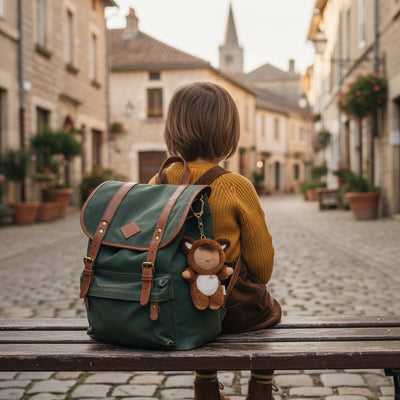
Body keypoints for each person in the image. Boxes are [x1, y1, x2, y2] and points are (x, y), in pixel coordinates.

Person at [150, 81, 280, 400]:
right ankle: (261, 387)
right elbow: (263, 266)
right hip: (229, 308)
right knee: (271, 311)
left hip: (173, 310)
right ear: (228, 135)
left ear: (172, 130)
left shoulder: (158, 182)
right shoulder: (236, 186)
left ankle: (205, 385)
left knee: (199, 318)